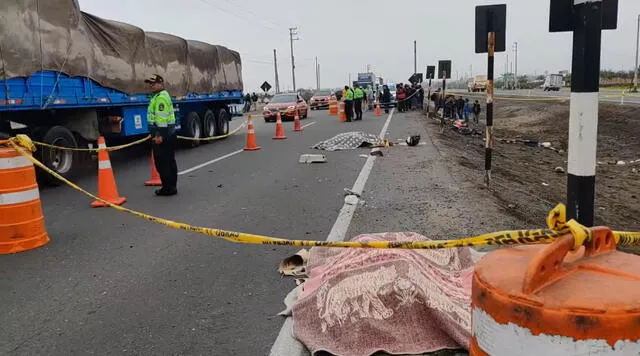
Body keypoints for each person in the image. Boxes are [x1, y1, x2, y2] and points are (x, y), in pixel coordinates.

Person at [145, 74, 177, 196]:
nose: (151, 86)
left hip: (163, 134)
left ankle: (168, 188)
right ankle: (171, 187)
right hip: (167, 133)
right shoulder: (157, 96)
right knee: (169, 161)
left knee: (163, 162)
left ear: (161, 84)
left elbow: (161, 118)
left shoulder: (161, 98)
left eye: (154, 83)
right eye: (150, 84)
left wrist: (159, 135)